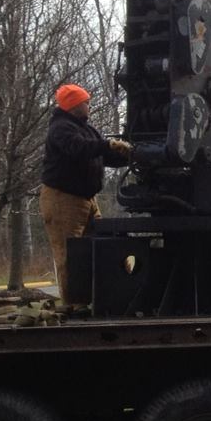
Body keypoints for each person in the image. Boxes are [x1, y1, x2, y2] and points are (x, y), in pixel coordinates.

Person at [40, 84, 131, 305]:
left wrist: (125, 155)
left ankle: (96, 300)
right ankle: (73, 305)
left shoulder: (85, 129)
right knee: (69, 255)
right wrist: (107, 144)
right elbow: (80, 148)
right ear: (73, 105)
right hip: (63, 199)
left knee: (100, 245)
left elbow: (99, 154)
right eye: (85, 101)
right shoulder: (61, 129)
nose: (89, 105)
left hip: (86, 199)